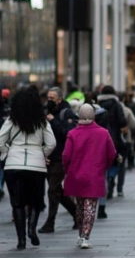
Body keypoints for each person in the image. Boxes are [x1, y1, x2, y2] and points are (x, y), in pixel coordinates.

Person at [0, 89, 56, 249]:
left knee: (17, 203)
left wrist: (6, 152)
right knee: (35, 200)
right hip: (36, 165)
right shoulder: (42, 121)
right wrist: (41, 153)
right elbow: (51, 143)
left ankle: (21, 239)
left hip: (13, 165)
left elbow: (0, 139)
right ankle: (32, 229)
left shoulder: (11, 120)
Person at [63, 104, 117, 249]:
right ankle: (85, 236)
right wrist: (103, 167)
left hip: (76, 175)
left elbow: (66, 155)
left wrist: (68, 170)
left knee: (80, 205)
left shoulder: (73, 134)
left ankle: (81, 234)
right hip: (95, 175)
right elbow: (112, 154)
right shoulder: (103, 133)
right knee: (90, 207)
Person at [36, 87, 78, 233]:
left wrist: (53, 121)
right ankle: (77, 214)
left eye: (52, 98)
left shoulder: (67, 113)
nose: (49, 101)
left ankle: (50, 222)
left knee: (53, 190)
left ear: (59, 99)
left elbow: (69, 134)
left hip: (61, 157)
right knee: (57, 191)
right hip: (48, 157)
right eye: (47, 97)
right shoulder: (45, 112)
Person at [98, 86, 128, 200]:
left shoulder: (98, 104)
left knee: (102, 161)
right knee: (115, 159)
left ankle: (105, 182)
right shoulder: (117, 104)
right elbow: (122, 121)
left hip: (100, 138)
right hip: (114, 137)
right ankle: (111, 178)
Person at [116, 94, 135, 197]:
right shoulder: (126, 110)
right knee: (122, 164)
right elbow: (134, 124)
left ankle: (110, 184)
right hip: (124, 140)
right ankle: (120, 188)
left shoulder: (104, 109)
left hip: (109, 140)